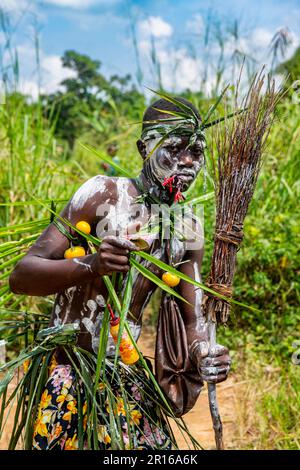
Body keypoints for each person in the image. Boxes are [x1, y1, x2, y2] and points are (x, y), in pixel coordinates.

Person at [9, 97, 231, 450]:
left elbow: (193, 321)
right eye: (174, 147)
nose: (187, 161)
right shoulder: (103, 194)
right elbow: (21, 277)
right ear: (144, 148)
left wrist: (205, 352)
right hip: (69, 371)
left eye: (196, 151)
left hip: (126, 375)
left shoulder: (187, 227)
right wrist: (93, 264)